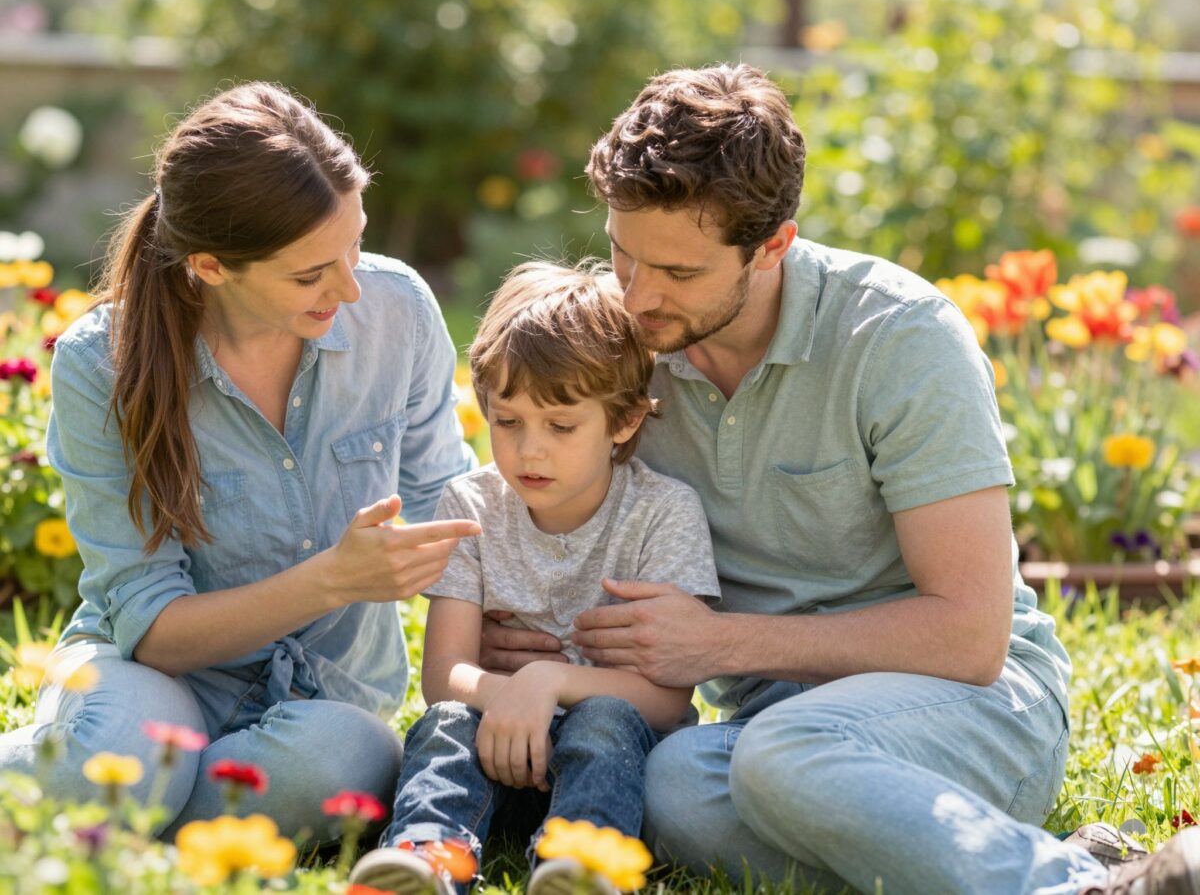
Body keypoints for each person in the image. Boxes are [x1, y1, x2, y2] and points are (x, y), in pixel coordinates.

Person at [478, 64, 1200, 894]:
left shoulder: (899, 336)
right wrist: (517, 626)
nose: (637, 298)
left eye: (679, 274)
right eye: (621, 255)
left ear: (773, 244)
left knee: (784, 754)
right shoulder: (614, 346)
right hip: (769, 734)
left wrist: (721, 643)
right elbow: (531, 504)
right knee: (671, 783)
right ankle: (1019, 862)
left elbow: (969, 638)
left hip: (970, 709)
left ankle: (1079, 890)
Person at [0, 82, 481, 841]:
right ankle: (119, 786)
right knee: (124, 748)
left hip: (328, 697)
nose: (351, 286)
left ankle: (115, 806)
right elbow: (150, 625)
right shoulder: (103, 364)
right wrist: (335, 579)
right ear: (212, 266)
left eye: (355, 244)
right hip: (154, 676)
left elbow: (452, 509)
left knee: (336, 764)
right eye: (309, 273)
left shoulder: (399, 311)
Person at [350, 261, 720, 895]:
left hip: (615, 772)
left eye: (561, 426)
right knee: (444, 725)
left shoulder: (664, 512)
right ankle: (426, 857)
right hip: (494, 756)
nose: (530, 451)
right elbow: (445, 675)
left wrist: (547, 681)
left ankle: (577, 867)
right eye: (508, 421)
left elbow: (666, 701)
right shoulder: (471, 503)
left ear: (624, 422)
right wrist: (506, 699)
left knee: (605, 718)